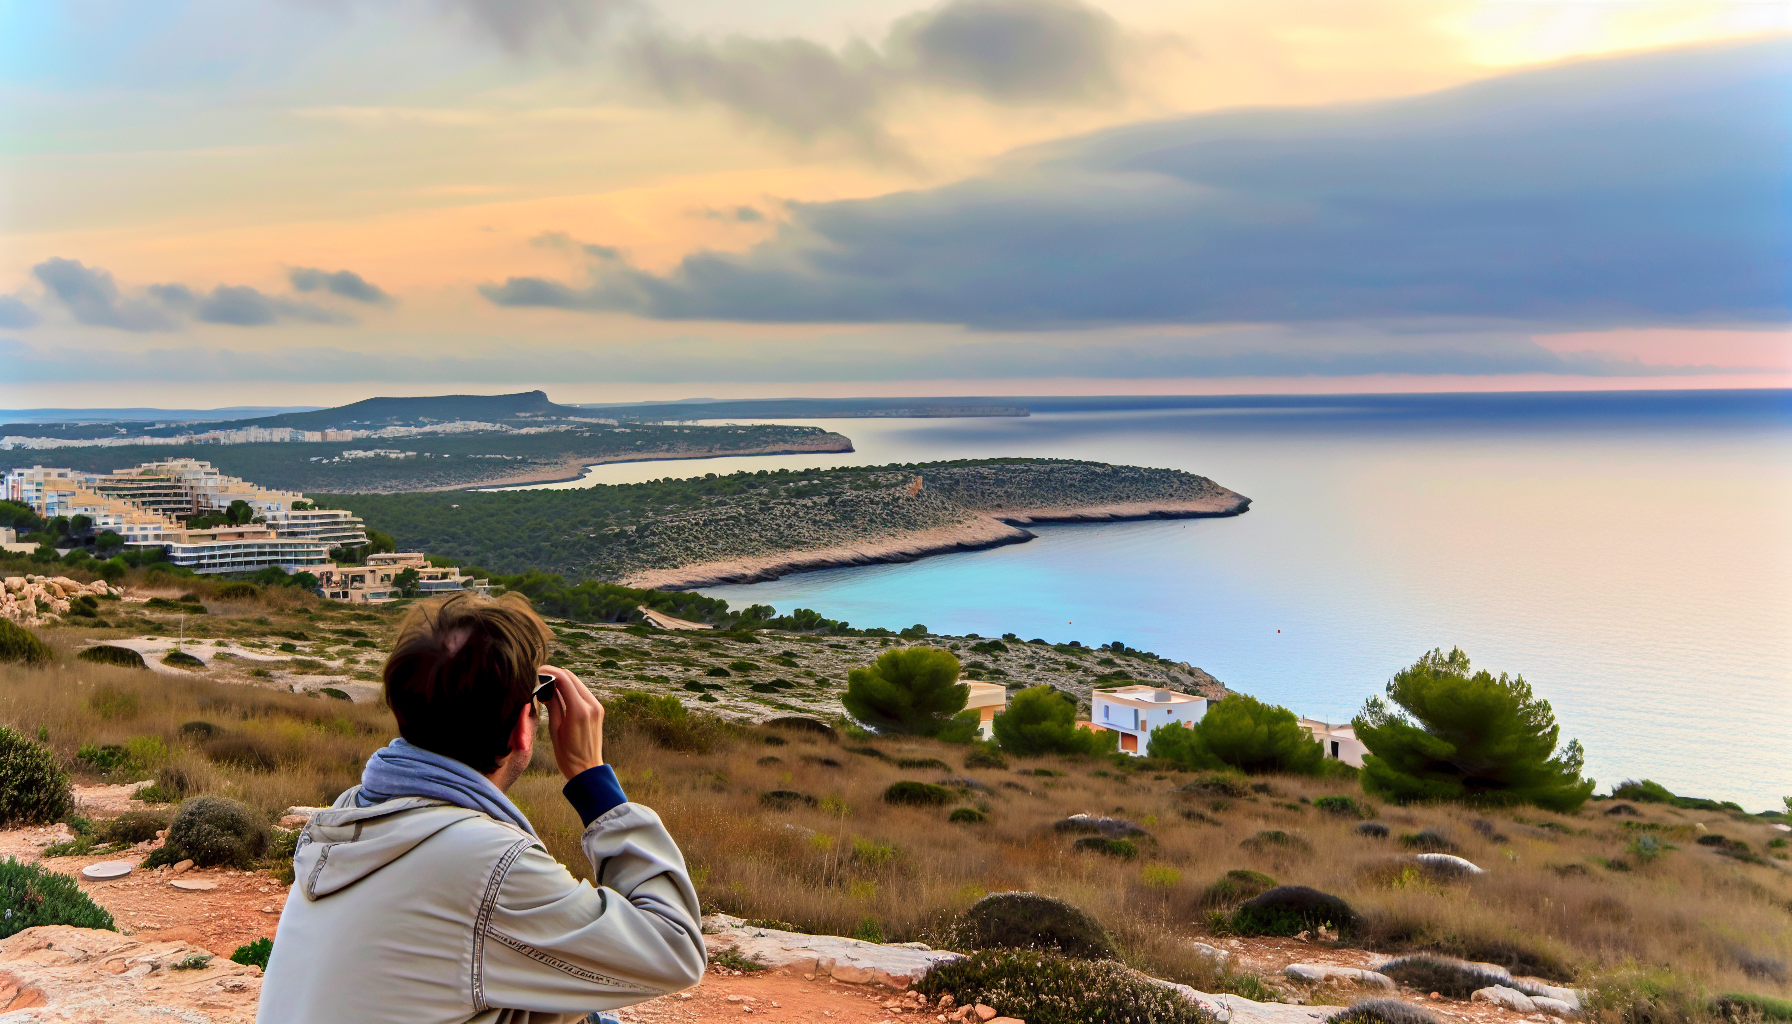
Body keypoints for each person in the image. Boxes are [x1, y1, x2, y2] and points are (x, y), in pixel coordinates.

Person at [258, 592, 706, 1024]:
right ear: (520, 730)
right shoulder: (484, 862)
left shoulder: (347, 814)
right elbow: (675, 948)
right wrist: (593, 780)